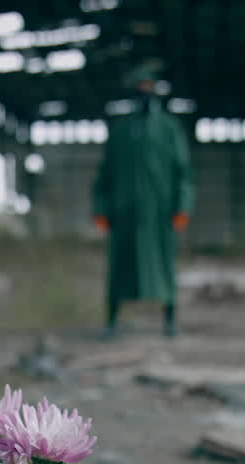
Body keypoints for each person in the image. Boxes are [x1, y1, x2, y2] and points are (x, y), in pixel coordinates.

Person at [92, 67, 194, 338]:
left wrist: (183, 207)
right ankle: (111, 322)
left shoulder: (170, 129)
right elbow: (105, 173)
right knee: (119, 268)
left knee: (164, 265)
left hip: (160, 213)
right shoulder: (121, 130)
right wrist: (100, 208)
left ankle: (169, 321)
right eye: (141, 87)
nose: (145, 92)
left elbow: (183, 173)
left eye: (150, 86)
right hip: (124, 213)